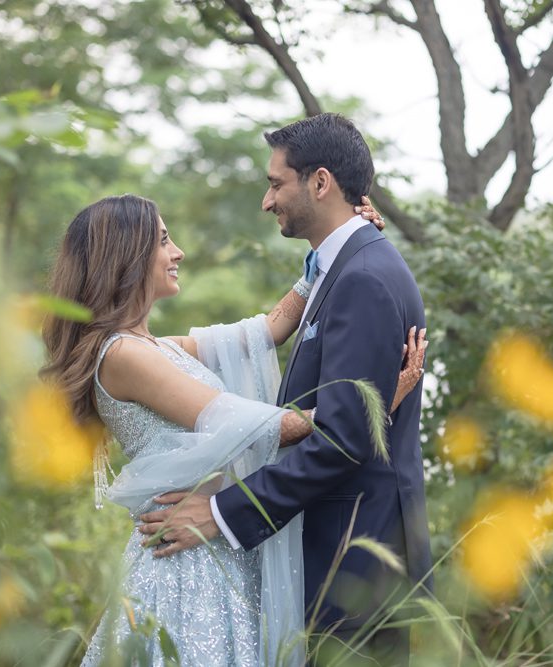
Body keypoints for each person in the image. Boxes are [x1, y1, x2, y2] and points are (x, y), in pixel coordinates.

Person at [40, 192, 425, 666]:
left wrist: (331, 249)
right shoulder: (124, 356)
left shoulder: (152, 346)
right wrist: (375, 404)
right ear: (126, 256)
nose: (178, 252)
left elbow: (266, 330)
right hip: (185, 567)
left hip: (210, 546)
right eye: (163, 241)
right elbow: (262, 429)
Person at [138, 113, 431, 665]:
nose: (267, 202)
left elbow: (346, 436)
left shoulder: (363, 277)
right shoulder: (342, 267)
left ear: (320, 183)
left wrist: (220, 513)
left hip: (356, 560)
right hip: (335, 550)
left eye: (276, 184)